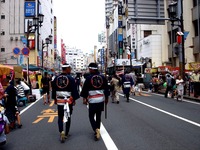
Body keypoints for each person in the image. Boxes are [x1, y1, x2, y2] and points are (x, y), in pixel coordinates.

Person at [80, 63, 109, 141]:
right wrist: (106, 98)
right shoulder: (103, 77)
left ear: (92, 69)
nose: (89, 70)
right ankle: (98, 129)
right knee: (98, 116)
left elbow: (85, 89)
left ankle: (96, 129)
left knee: (91, 116)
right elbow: (106, 88)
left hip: (92, 100)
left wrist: (85, 98)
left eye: (90, 69)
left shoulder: (89, 78)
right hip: (100, 100)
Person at [52, 63, 79, 143]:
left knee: (60, 117)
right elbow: (74, 90)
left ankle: (61, 132)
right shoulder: (70, 78)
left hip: (60, 101)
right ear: (66, 69)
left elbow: (54, 90)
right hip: (68, 101)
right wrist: (74, 100)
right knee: (68, 116)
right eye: (69, 68)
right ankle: (66, 133)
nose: (70, 70)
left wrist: (54, 99)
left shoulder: (56, 78)